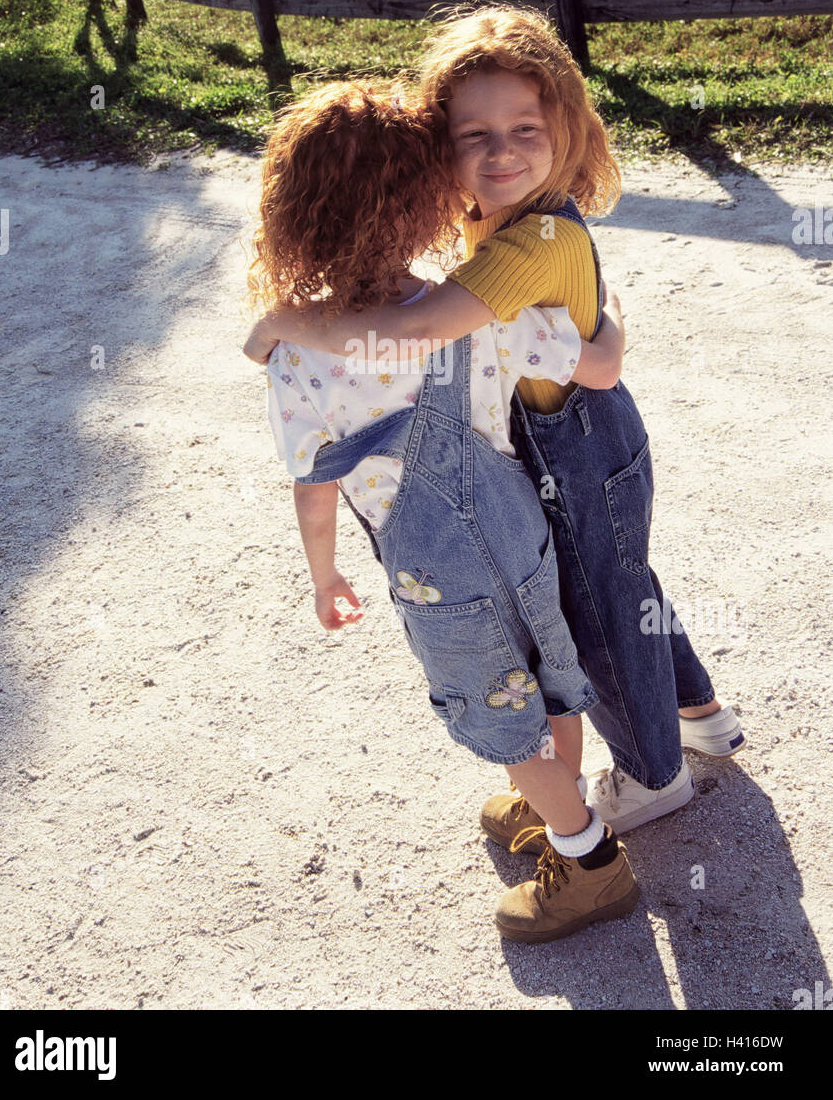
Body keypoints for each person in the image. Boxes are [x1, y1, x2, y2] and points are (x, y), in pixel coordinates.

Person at [244, 8, 746, 868]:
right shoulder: (489, 258)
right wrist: (610, 332)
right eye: (471, 135)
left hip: (546, 472)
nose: (499, 152)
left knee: (594, 614)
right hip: (547, 471)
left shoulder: (500, 256)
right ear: (436, 163)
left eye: (523, 129)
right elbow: (572, 341)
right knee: (604, 598)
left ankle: (631, 801)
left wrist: (284, 320)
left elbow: (382, 377)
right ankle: (695, 717)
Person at [244, 79, 640, 943]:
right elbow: (597, 363)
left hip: (435, 568)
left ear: (294, 213)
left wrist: (327, 576)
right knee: (545, 670)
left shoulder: (295, 354)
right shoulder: (467, 302)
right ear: (428, 196)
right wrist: (610, 319)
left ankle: (589, 862)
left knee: (502, 714)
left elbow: (312, 485)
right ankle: (556, 807)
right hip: (517, 529)